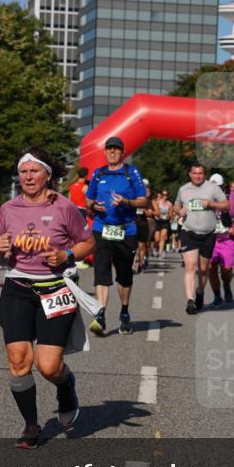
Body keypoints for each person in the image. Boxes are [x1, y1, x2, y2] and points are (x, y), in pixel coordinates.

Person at [0, 147, 96, 449]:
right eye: (24, 171)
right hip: (18, 287)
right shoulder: (8, 210)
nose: (28, 177)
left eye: (34, 171)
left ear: (48, 174)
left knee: (48, 366)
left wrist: (68, 254)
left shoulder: (64, 207)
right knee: (19, 360)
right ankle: (31, 425)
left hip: (55, 288)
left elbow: (87, 242)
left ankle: (66, 385)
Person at [85, 136, 147, 336]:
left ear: (122, 152)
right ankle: (100, 315)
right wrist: (94, 206)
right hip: (102, 227)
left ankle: (125, 312)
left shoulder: (131, 172)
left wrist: (126, 202)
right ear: (105, 152)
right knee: (101, 271)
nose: (112, 152)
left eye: (116, 149)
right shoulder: (99, 173)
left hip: (125, 230)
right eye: (109, 149)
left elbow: (143, 201)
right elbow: (88, 201)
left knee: (124, 275)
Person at [175, 163, 229, 314]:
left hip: (208, 234)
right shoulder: (184, 189)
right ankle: (190, 300)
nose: (197, 176)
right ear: (190, 174)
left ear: (204, 174)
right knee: (191, 266)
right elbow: (176, 205)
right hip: (189, 231)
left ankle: (200, 292)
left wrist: (211, 203)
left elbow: (226, 205)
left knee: (204, 270)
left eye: (200, 173)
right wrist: (179, 211)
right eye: (195, 173)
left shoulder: (212, 188)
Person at [207, 173, 234, 306]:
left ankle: (226, 284)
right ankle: (217, 296)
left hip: (227, 239)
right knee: (211, 268)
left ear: (223, 186)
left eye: (218, 186)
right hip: (210, 238)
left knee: (226, 271)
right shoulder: (204, 197)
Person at [134, 178, 152, 274]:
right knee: (132, 245)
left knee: (141, 246)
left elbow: (151, 213)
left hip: (142, 224)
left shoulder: (146, 200)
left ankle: (141, 264)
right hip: (132, 224)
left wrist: (145, 211)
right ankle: (132, 264)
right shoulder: (131, 197)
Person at [151, 189, 173, 258]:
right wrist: (158, 214)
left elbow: (171, 214)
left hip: (165, 222)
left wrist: (168, 216)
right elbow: (154, 210)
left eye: (166, 195)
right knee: (157, 238)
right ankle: (155, 247)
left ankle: (160, 253)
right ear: (161, 195)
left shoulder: (169, 204)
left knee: (163, 236)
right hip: (158, 221)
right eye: (163, 194)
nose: (165, 196)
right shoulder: (157, 202)